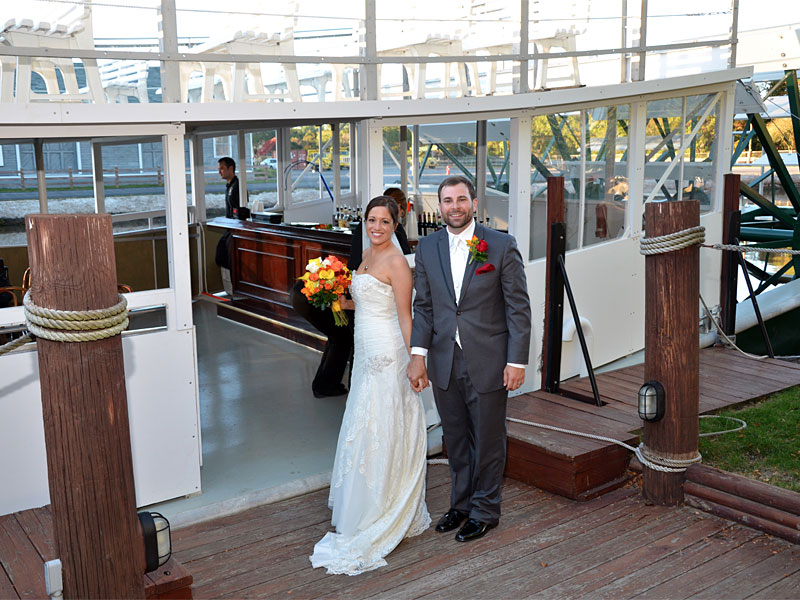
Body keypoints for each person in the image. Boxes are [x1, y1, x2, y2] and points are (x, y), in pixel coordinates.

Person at [407, 175, 531, 543]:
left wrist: (517, 361)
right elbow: (424, 308)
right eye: (447, 200)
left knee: (489, 439)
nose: (455, 206)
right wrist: (418, 356)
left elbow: (518, 309)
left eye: (462, 199)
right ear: (440, 206)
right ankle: (460, 505)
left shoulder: (501, 245)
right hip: (444, 360)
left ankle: (485, 510)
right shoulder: (427, 248)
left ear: (474, 204)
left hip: (490, 360)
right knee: (456, 438)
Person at [310, 196, 430, 575]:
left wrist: (416, 359)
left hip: (387, 354)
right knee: (362, 423)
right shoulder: (364, 253)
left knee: (382, 423)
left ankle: (383, 505)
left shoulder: (397, 262)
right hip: (363, 353)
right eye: (371, 220)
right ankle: (362, 501)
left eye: (384, 221)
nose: (377, 227)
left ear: (396, 225)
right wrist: (333, 298)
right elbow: (364, 300)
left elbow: (405, 317)